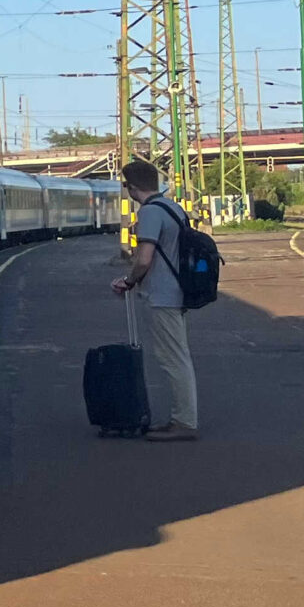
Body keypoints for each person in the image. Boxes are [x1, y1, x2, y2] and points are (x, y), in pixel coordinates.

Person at [110, 158, 199, 441]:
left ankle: (184, 422)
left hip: (162, 294)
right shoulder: (173, 208)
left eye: (126, 186)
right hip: (177, 290)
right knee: (177, 357)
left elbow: (144, 259)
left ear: (132, 187)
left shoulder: (149, 212)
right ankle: (181, 419)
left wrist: (128, 281)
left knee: (174, 360)